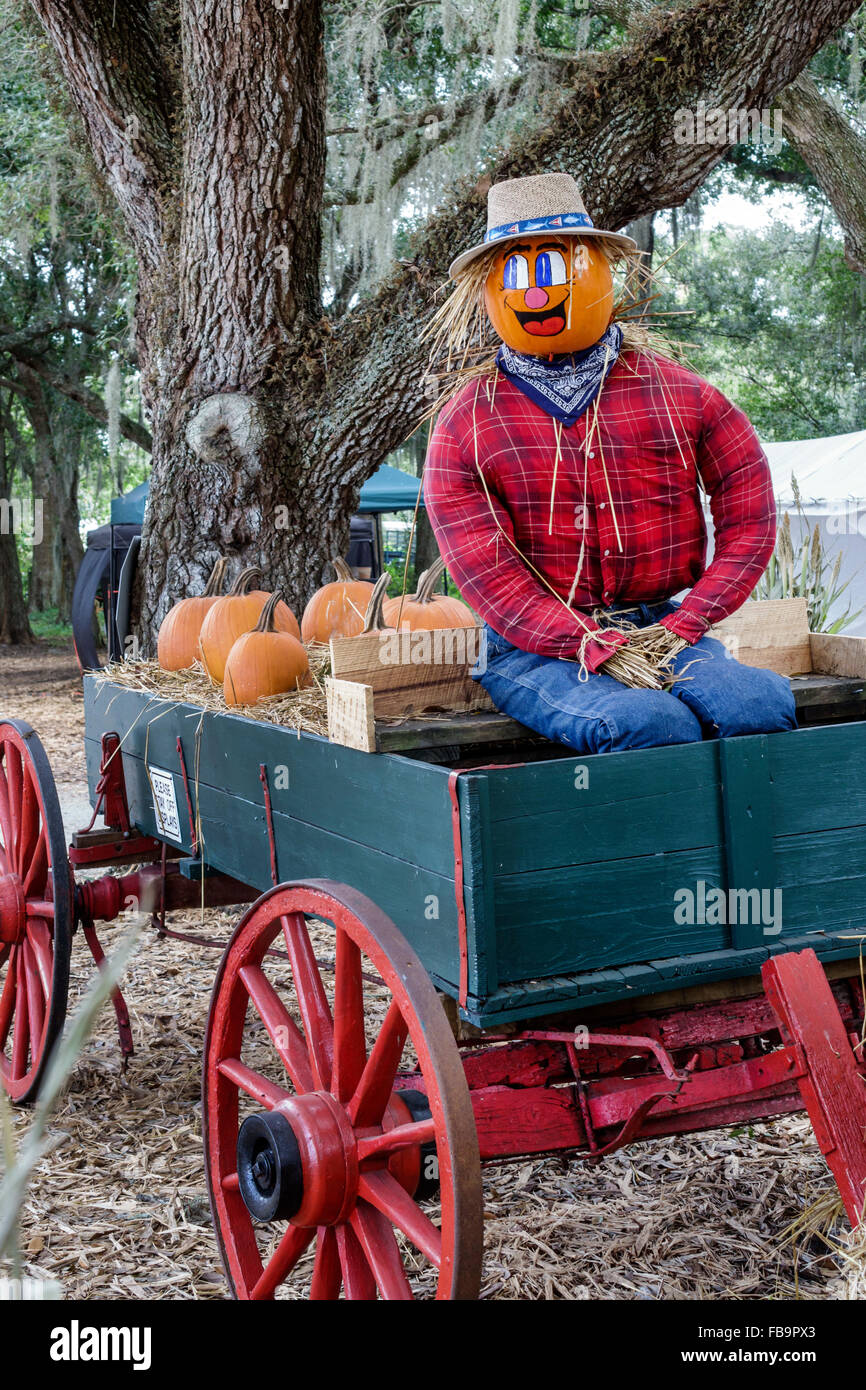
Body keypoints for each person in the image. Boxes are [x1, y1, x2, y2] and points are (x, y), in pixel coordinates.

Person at [423, 172, 796, 753]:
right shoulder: (467, 420)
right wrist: (581, 638)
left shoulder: (683, 394)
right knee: (649, 723)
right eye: (516, 276)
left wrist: (688, 620)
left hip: (663, 629)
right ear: (491, 289)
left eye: (554, 270)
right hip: (533, 647)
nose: (537, 295)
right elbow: (486, 574)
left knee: (757, 706)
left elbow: (750, 517)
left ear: (597, 270)